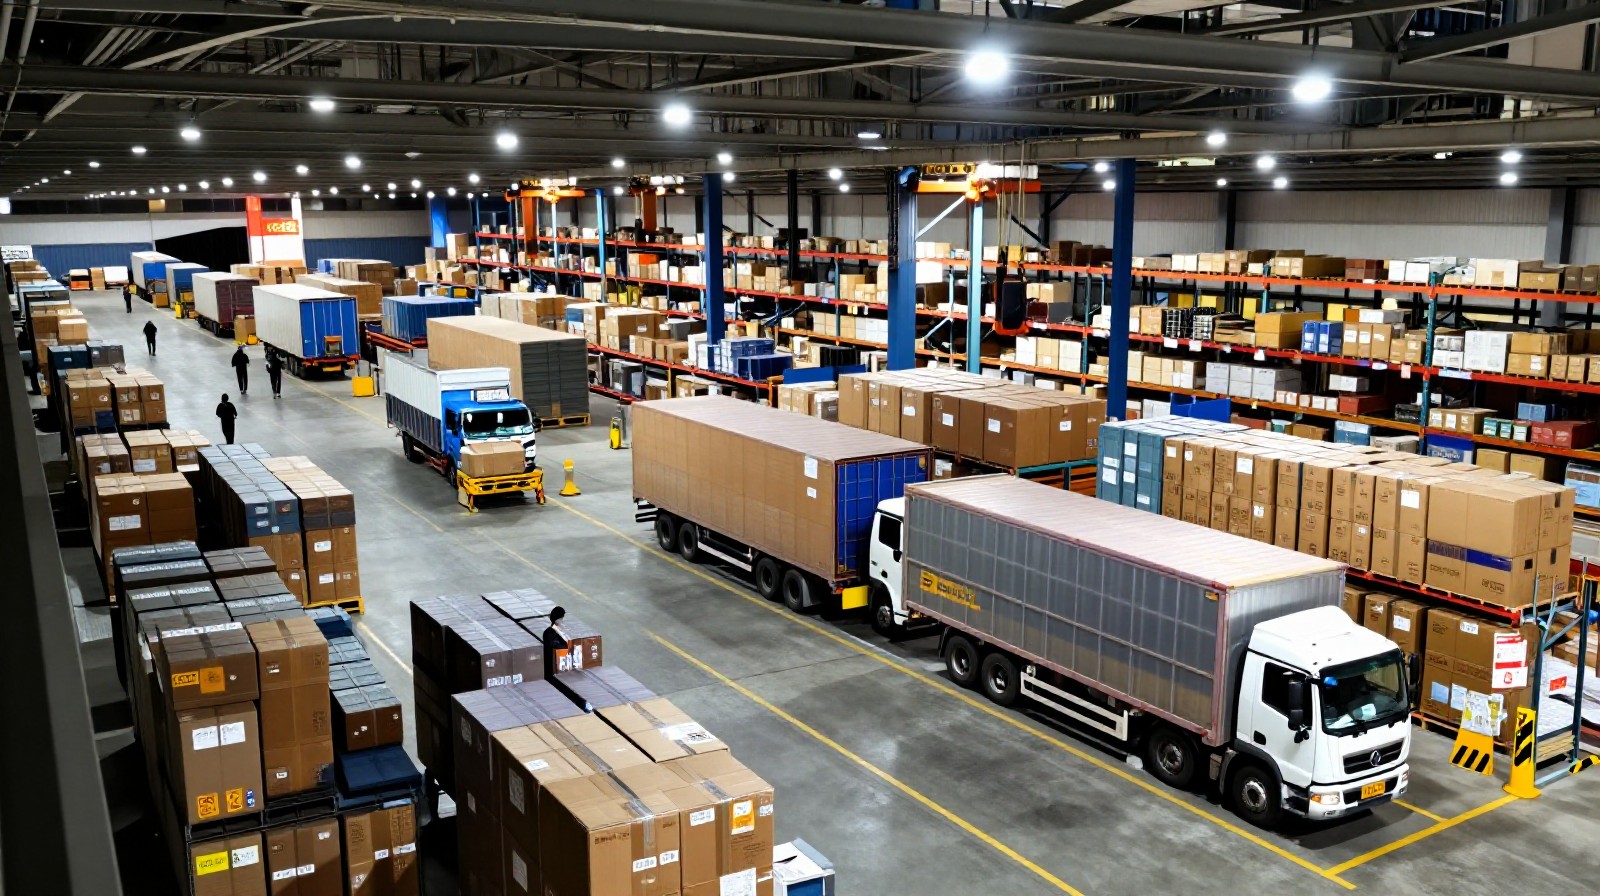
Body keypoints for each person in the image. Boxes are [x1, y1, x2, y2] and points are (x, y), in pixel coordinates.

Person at [541, 606, 570, 680]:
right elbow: (557, 648)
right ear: (557, 619)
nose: (563, 621)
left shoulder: (556, 631)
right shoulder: (550, 632)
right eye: (562, 619)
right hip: (552, 669)